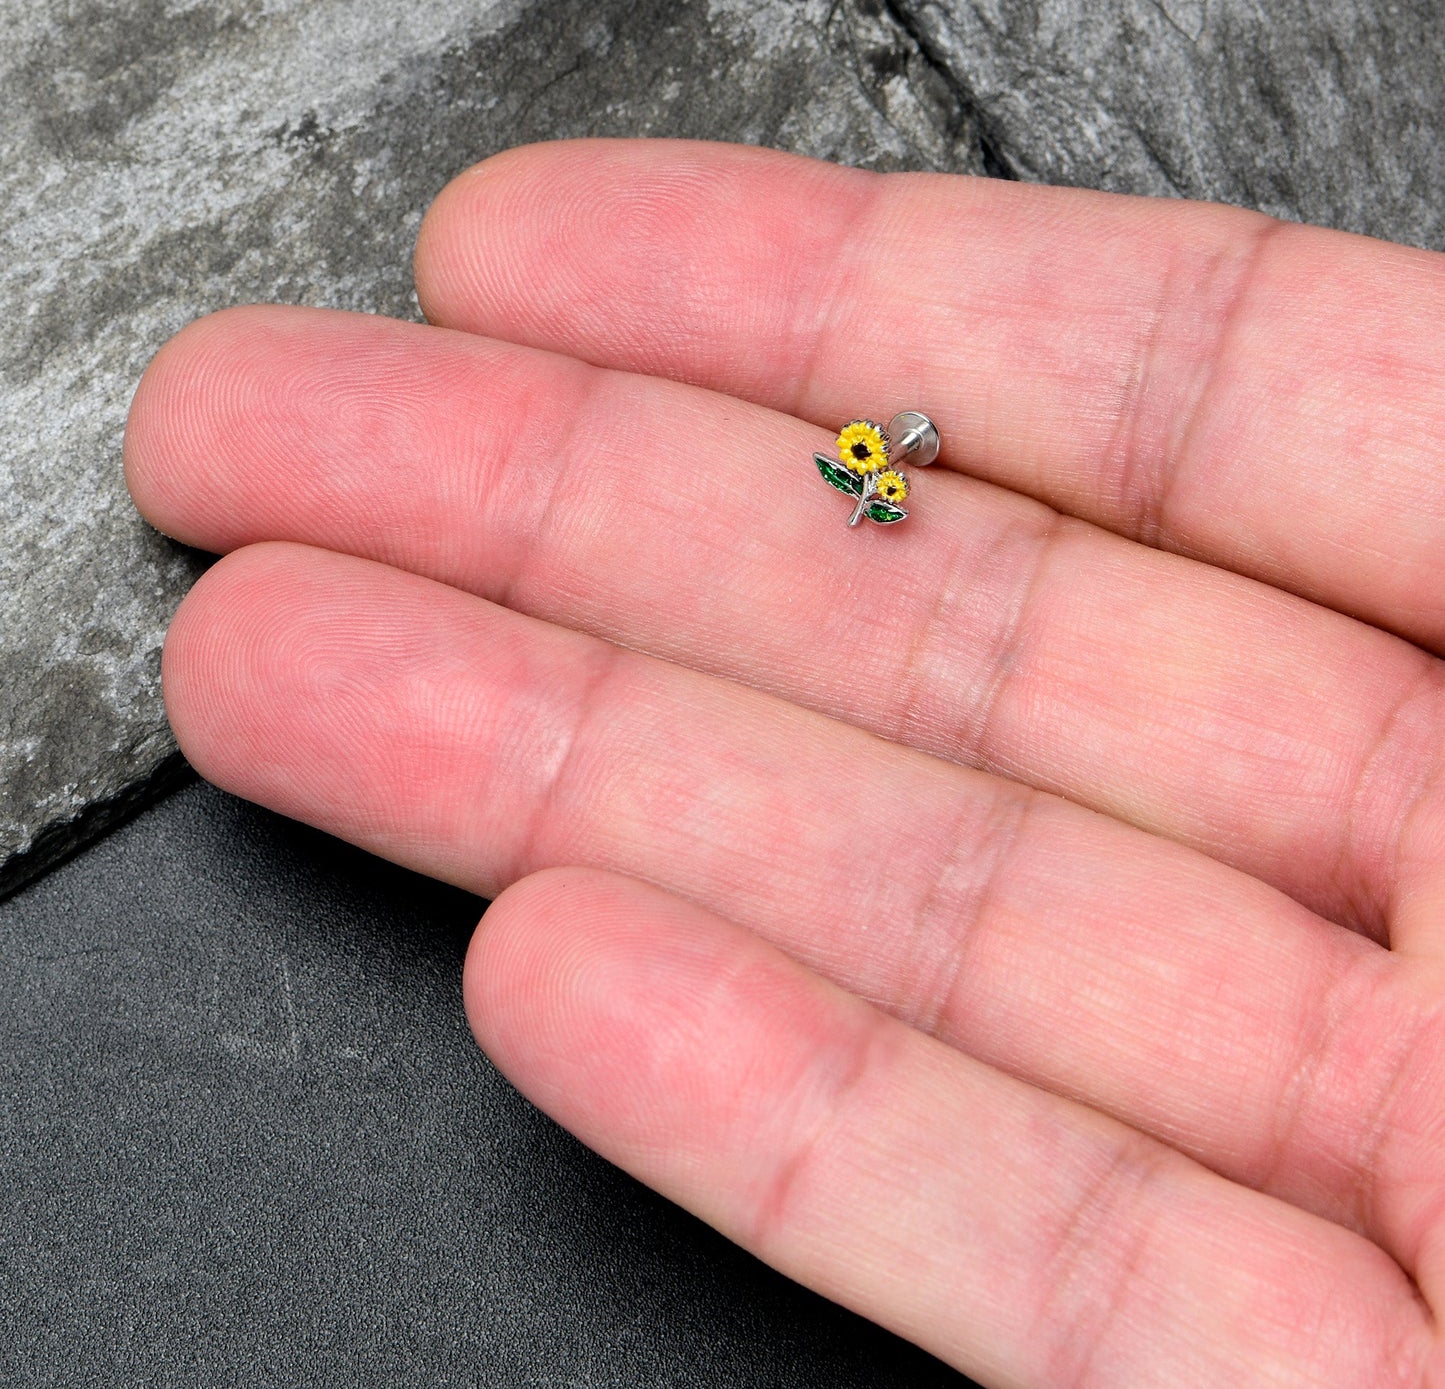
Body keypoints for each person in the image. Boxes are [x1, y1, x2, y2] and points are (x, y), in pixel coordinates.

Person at [121, 137, 1445, 1385]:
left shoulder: (886, 473)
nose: (884, 463)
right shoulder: (868, 473)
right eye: (880, 459)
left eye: (885, 458)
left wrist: (882, 474)